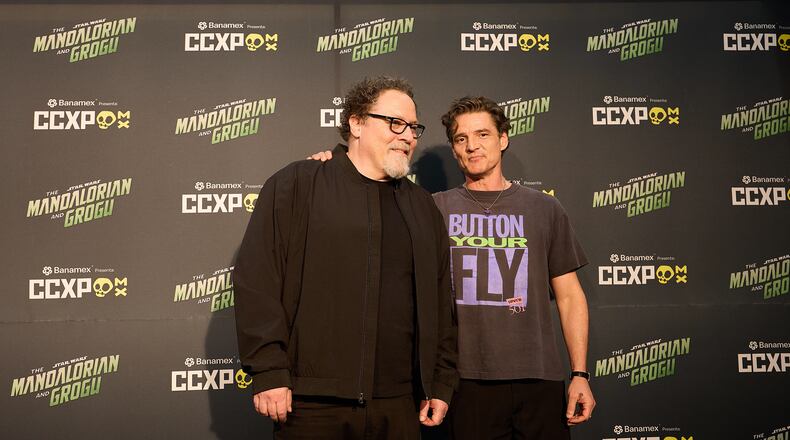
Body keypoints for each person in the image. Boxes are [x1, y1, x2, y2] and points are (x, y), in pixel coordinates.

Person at [233, 76, 458, 439]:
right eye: (395, 123)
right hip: (312, 403)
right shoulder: (298, 184)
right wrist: (269, 371)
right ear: (356, 122)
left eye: (414, 128)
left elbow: (440, 302)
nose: (407, 136)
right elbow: (258, 281)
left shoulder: (422, 207)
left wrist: (440, 382)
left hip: (400, 406)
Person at [433, 96, 595, 439]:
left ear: (503, 139)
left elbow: (569, 297)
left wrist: (580, 374)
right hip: (466, 382)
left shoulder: (544, 208)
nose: (472, 146)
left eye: (483, 135)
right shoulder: (435, 209)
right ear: (453, 149)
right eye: (461, 139)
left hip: (538, 379)